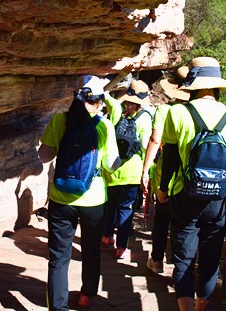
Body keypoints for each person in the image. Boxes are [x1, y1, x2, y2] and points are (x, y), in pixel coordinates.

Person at [156, 57, 226, 311]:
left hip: (184, 196)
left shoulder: (177, 112)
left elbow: (169, 159)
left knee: (183, 259)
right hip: (218, 201)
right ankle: (201, 307)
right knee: (210, 260)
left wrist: (163, 189)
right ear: (217, 87)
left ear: (193, 84)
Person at [37, 76, 120, 311]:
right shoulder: (104, 126)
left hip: (61, 198)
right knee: (91, 250)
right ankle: (86, 295)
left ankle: (58, 307)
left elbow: (44, 156)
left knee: (58, 257)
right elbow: (112, 165)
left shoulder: (60, 120)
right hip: (93, 200)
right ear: (99, 101)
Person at [140, 67, 190, 274]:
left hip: (164, 175)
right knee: (185, 223)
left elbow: (155, 140)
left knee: (161, 219)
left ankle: (157, 260)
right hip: (188, 177)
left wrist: (144, 171)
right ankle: (182, 267)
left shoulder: (165, 110)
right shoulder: (196, 112)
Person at [101, 80, 153, 262]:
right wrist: (148, 172)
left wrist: (120, 76)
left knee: (110, 205)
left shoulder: (116, 109)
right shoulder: (145, 117)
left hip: (112, 169)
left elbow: (103, 91)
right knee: (126, 208)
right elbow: (147, 146)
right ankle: (121, 248)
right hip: (133, 171)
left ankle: (106, 236)